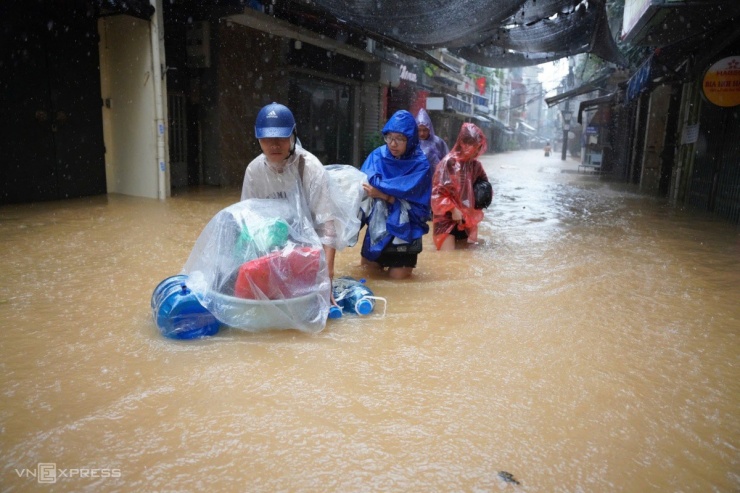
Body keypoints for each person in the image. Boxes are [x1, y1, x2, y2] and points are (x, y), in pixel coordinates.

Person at [240, 102, 338, 296]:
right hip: (268, 250)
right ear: (258, 138)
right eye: (267, 138)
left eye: (281, 137)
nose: (274, 144)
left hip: (306, 252)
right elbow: (247, 223)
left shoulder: (310, 168)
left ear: (293, 135)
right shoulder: (254, 171)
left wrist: (328, 273)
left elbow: (327, 225)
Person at [360, 110, 432, 279]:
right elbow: (359, 193)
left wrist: (384, 196)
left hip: (406, 235)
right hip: (377, 230)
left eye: (400, 139)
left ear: (411, 139)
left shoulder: (420, 166)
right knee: (368, 276)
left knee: (398, 283)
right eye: (389, 137)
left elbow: (420, 211)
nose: (393, 144)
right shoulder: (377, 156)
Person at [431, 122, 489, 251]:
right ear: (464, 144)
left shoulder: (475, 166)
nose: (477, 151)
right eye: (475, 146)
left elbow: (485, 186)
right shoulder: (448, 163)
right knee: (448, 258)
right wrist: (453, 209)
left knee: (462, 258)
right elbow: (437, 193)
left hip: (466, 219)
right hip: (445, 218)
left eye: (479, 147)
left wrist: (480, 201)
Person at [415, 108, 449, 173]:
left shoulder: (438, 142)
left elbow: (446, 159)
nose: (422, 133)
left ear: (429, 129)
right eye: (419, 130)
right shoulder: (413, 142)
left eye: (425, 130)